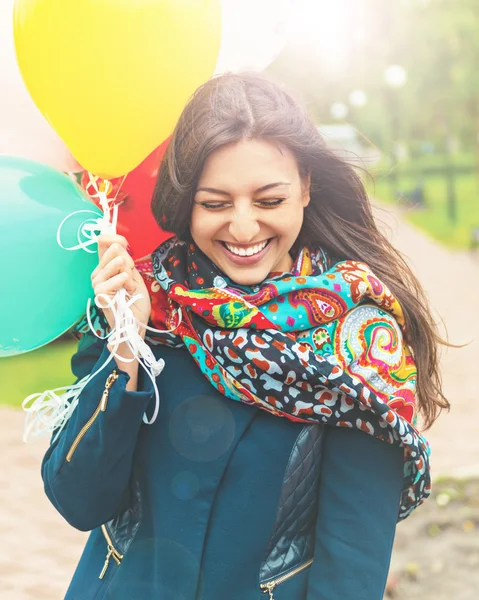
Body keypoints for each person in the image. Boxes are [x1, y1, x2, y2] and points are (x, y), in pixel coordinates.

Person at [42, 73, 448, 600]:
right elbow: (79, 501)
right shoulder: (147, 303)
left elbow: (350, 570)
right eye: (215, 203)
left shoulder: (359, 342)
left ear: (305, 186)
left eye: (268, 200)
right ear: (186, 201)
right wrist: (127, 351)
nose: (243, 228)